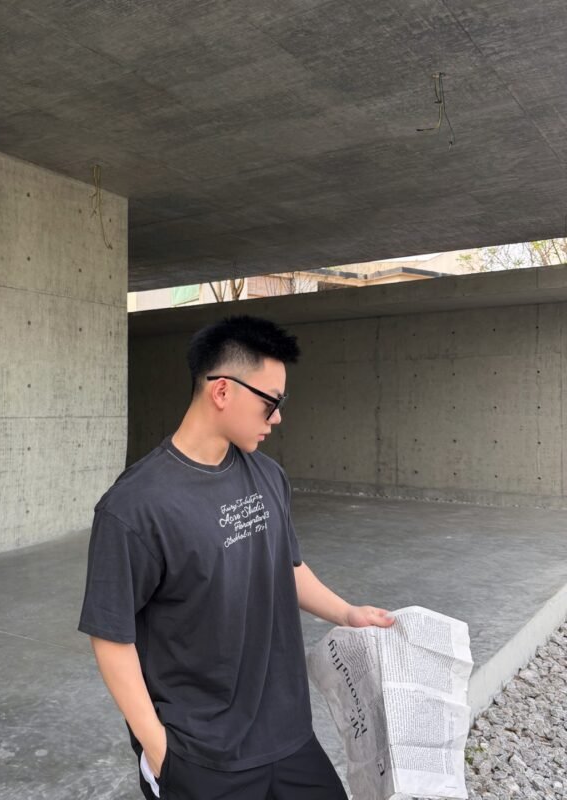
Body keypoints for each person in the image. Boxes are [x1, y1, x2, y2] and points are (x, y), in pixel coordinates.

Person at [78, 315, 394, 799]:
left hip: (289, 735)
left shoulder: (268, 475)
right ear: (222, 391)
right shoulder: (134, 506)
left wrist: (348, 613)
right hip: (200, 752)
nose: (277, 418)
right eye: (271, 403)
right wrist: (160, 751)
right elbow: (111, 635)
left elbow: (286, 566)